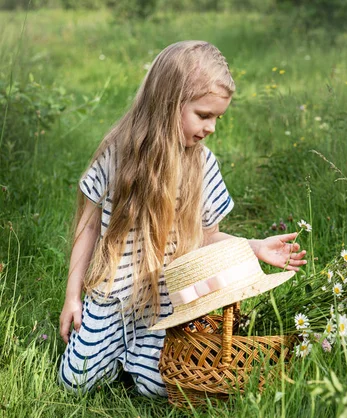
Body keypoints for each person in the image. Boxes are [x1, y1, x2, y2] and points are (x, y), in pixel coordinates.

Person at [58, 40, 307, 397]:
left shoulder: (203, 166)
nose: (212, 128)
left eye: (217, 118)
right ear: (167, 103)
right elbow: (86, 230)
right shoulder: (117, 154)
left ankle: (134, 360)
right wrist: (72, 297)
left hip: (165, 304)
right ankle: (109, 351)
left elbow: (207, 239)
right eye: (204, 115)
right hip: (112, 297)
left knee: (163, 387)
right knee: (74, 383)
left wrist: (252, 247)